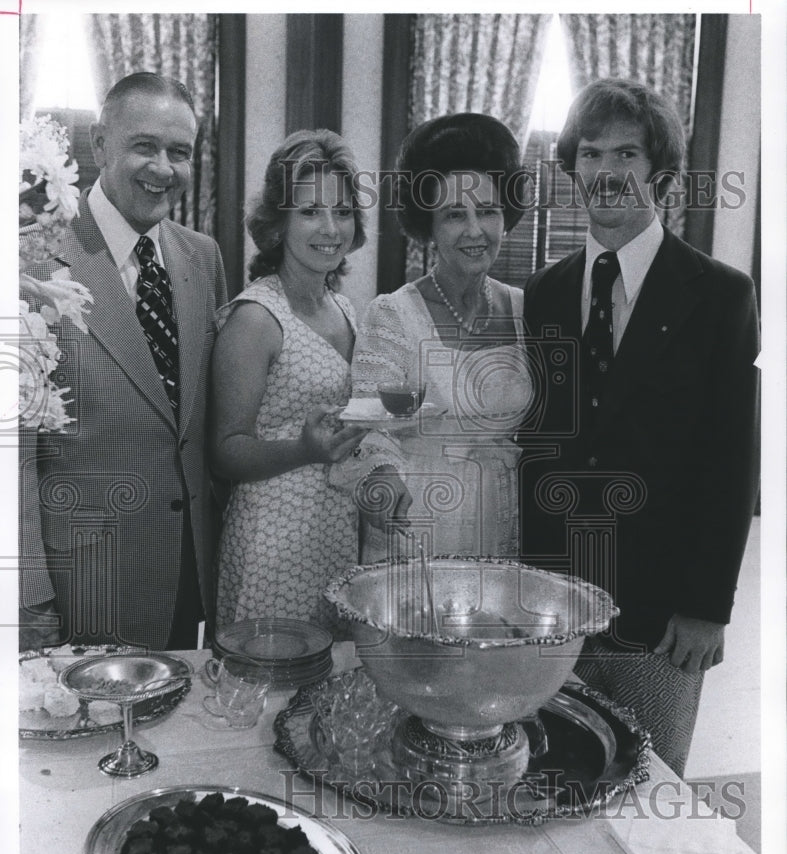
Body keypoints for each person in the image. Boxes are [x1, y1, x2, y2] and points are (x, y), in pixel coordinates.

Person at [519, 78, 760, 775]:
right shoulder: (546, 292)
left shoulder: (719, 295)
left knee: (645, 792)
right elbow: (544, 448)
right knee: (551, 780)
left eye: (626, 152)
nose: (606, 172)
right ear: (572, 169)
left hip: (661, 612)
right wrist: (531, 591)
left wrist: (705, 607)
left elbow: (730, 462)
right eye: (590, 153)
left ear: (658, 168)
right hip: (555, 606)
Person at [19, 72, 228, 652]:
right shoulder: (32, 258)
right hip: (85, 578)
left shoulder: (201, 257)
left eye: (179, 152)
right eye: (144, 146)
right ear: (98, 146)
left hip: (185, 565)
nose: (163, 167)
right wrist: (30, 598)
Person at [341, 113, 533, 562]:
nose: (474, 230)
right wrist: (380, 477)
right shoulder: (393, 314)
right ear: (428, 226)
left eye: (487, 211)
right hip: (413, 524)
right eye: (454, 215)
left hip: (502, 523)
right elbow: (370, 428)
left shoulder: (528, 310)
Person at [210, 130, 368, 635]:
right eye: (309, 211)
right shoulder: (256, 318)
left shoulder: (343, 306)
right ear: (277, 224)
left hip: (335, 532)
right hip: (271, 543)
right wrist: (303, 450)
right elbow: (224, 451)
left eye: (342, 212)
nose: (330, 228)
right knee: (267, 696)